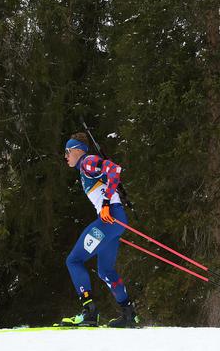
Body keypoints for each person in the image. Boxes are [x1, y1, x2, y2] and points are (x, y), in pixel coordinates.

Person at [59, 133, 139, 328]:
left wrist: (105, 203)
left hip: (108, 220)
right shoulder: (86, 167)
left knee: (74, 260)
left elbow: (113, 169)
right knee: (105, 271)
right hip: (115, 221)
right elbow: (110, 176)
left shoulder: (87, 162)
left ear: (78, 150)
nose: (65, 156)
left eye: (67, 152)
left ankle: (89, 312)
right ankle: (129, 313)